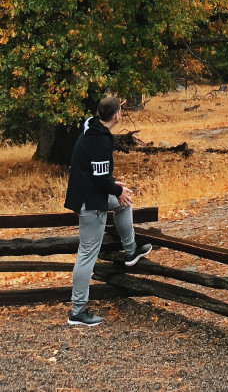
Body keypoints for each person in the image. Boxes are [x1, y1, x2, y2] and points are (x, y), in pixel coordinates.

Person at [64, 95, 152, 327]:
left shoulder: (91, 127)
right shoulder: (100, 140)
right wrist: (113, 187)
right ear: (116, 115)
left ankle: (131, 250)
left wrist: (115, 187)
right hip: (90, 203)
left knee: (124, 203)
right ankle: (77, 311)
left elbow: (97, 173)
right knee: (86, 256)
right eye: (120, 110)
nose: (121, 113)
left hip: (90, 194)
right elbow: (100, 176)